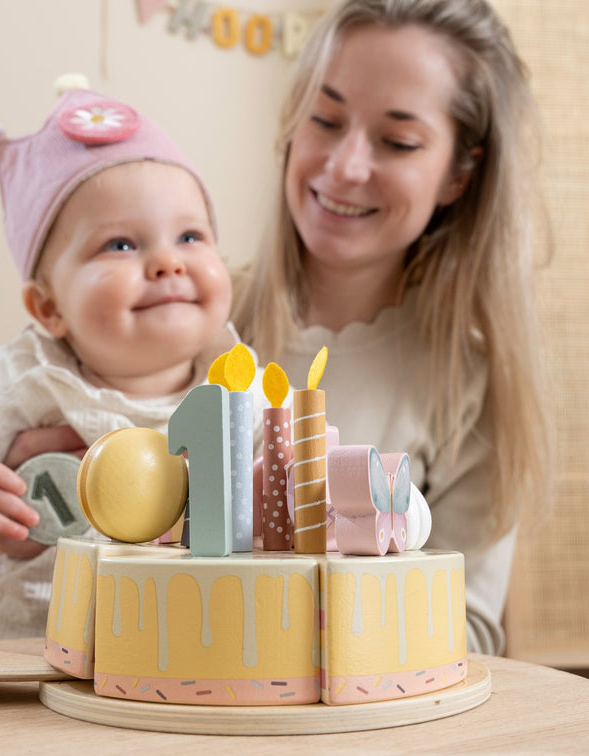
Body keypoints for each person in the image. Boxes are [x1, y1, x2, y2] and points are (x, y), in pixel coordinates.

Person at [229, 0, 554, 655]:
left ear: (460, 174)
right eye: (324, 119)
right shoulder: (190, 317)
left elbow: (466, 631)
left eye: (398, 141)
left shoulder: (471, 387)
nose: (346, 166)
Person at [0, 85, 235, 641]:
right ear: (49, 307)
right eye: (119, 245)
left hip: (188, 657)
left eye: (190, 235)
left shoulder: (243, 389)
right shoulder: (27, 383)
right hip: (29, 659)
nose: (167, 261)